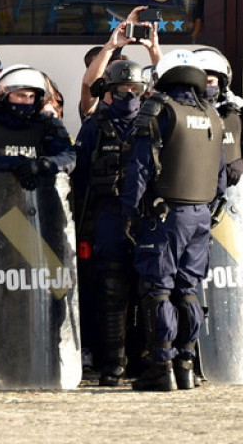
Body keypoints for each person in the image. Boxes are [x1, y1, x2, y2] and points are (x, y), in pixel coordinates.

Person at [0, 64, 77, 383]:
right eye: (18, 94)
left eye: (30, 96)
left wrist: (43, 165)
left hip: (43, 223)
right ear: (3, 94)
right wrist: (16, 165)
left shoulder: (48, 126)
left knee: (54, 290)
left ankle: (51, 358)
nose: (24, 101)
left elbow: (69, 157)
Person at [119, 50, 225, 392]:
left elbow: (139, 167)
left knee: (157, 289)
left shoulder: (158, 110)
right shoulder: (211, 113)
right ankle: (186, 365)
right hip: (201, 213)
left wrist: (129, 211)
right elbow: (221, 174)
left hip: (165, 214)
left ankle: (160, 367)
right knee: (189, 289)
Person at [72, 60, 147, 386]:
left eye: (135, 91)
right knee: (111, 290)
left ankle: (145, 357)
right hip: (108, 216)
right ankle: (113, 362)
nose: (129, 96)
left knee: (149, 289)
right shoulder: (95, 126)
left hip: (147, 217)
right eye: (121, 90)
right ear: (110, 92)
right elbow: (80, 178)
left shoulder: (153, 122)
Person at [193, 47, 243, 186]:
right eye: (200, 82)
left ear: (221, 84)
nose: (205, 86)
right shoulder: (181, 115)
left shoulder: (235, 115)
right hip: (195, 195)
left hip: (233, 198)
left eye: (210, 82)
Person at [80, 8, 162, 119]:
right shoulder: (97, 106)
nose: (124, 75)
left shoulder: (143, 106)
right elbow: (88, 85)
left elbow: (166, 89)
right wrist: (110, 47)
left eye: (133, 87)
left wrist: (154, 48)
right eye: (115, 69)